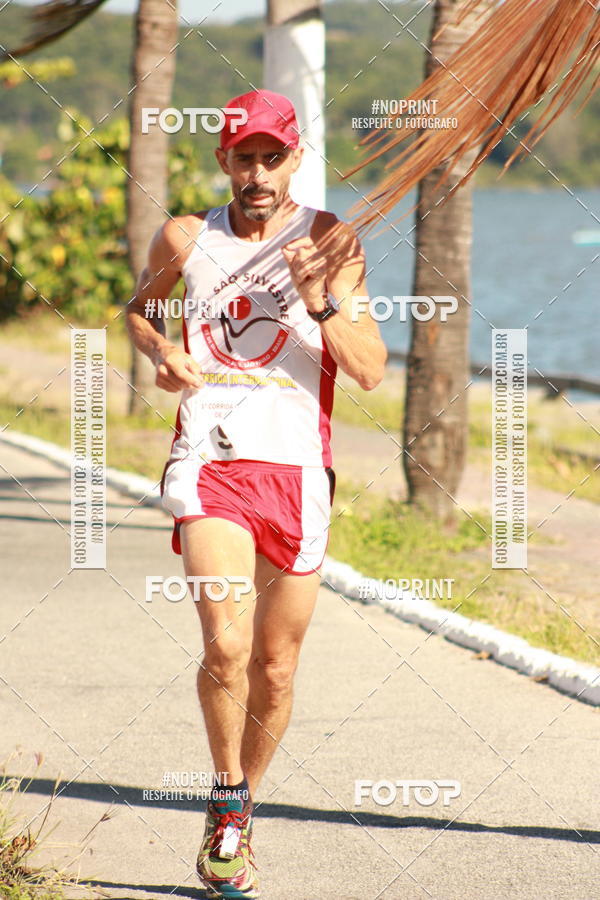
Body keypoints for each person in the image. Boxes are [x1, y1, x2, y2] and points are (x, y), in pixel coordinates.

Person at [126, 88, 387, 899]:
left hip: (298, 471)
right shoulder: (186, 237)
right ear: (223, 162)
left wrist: (321, 301)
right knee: (227, 645)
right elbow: (140, 310)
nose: (258, 173)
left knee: (274, 665)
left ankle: (237, 804)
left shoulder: (331, 239)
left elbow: (372, 369)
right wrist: (160, 352)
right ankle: (229, 798)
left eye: (273, 157)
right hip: (210, 460)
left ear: (295, 159)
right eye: (244, 157)